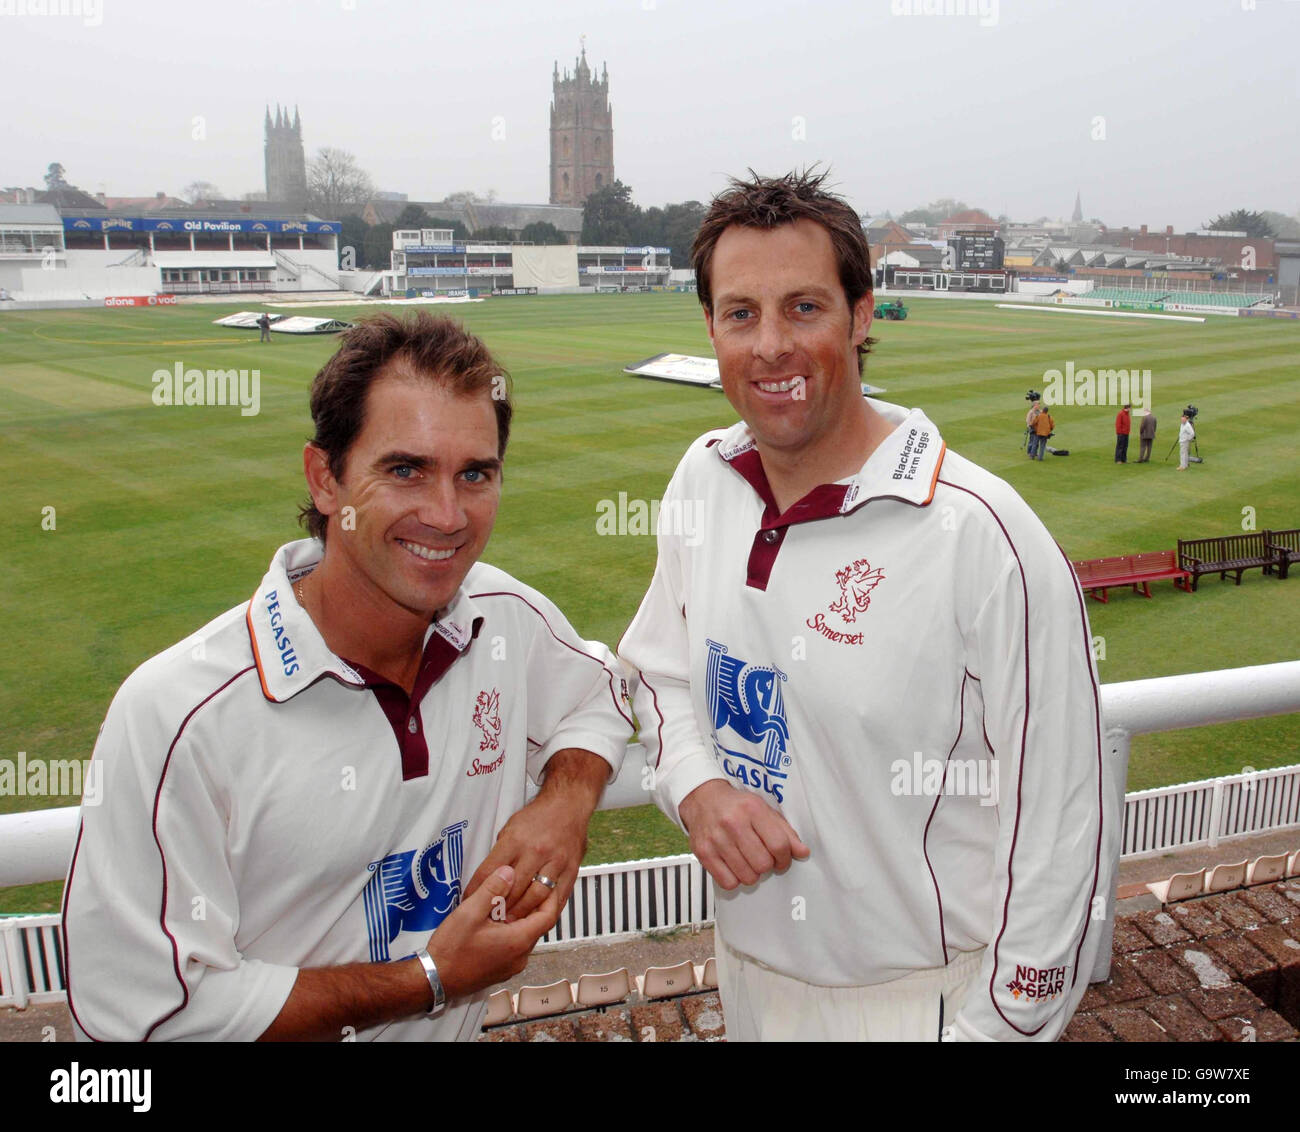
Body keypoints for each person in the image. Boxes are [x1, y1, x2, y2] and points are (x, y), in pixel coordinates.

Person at [619, 169, 1115, 1043]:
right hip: (750, 983)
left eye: (803, 308)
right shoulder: (703, 477)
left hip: (917, 1004)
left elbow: (1061, 825)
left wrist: (999, 1029)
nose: (771, 345)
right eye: (741, 314)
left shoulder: (983, 534)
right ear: (710, 328)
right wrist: (695, 784)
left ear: (860, 315)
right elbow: (655, 670)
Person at [62, 312, 633, 1041]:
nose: (447, 514)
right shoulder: (177, 715)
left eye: (475, 474)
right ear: (325, 479)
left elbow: (601, 694)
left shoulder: (504, 617)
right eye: (405, 470)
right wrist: (430, 981)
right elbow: (143, 1020)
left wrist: (565, 801)